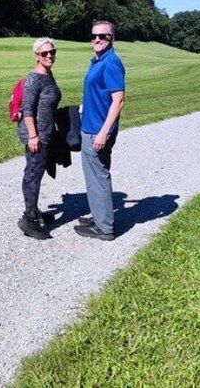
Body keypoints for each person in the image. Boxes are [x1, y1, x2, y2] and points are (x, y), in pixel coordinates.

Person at [74, 21, 126, 241]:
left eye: (103, 36)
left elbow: (118, 100)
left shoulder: (111, 62)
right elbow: (98, 90)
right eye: (94, 35)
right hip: (90, 125)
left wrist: (104, 133)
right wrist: (86, 104)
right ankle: (99, 216)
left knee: (99, 178)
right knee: (93, 176)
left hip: (98, 131)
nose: (97, 39)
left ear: (112, 39)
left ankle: (104, 228)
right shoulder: (96, 60)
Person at [16, 37, 62, 240]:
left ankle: (34, 211)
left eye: (52, 52)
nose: (49, 55)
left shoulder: (48, 75)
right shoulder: (34, 79)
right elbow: (27, 110)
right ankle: (29, 219)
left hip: (44, 133)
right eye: (44, 53)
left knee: (37, 172)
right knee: (33, 174)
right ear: (36, 56)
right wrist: (33, 136)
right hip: (36, 136)